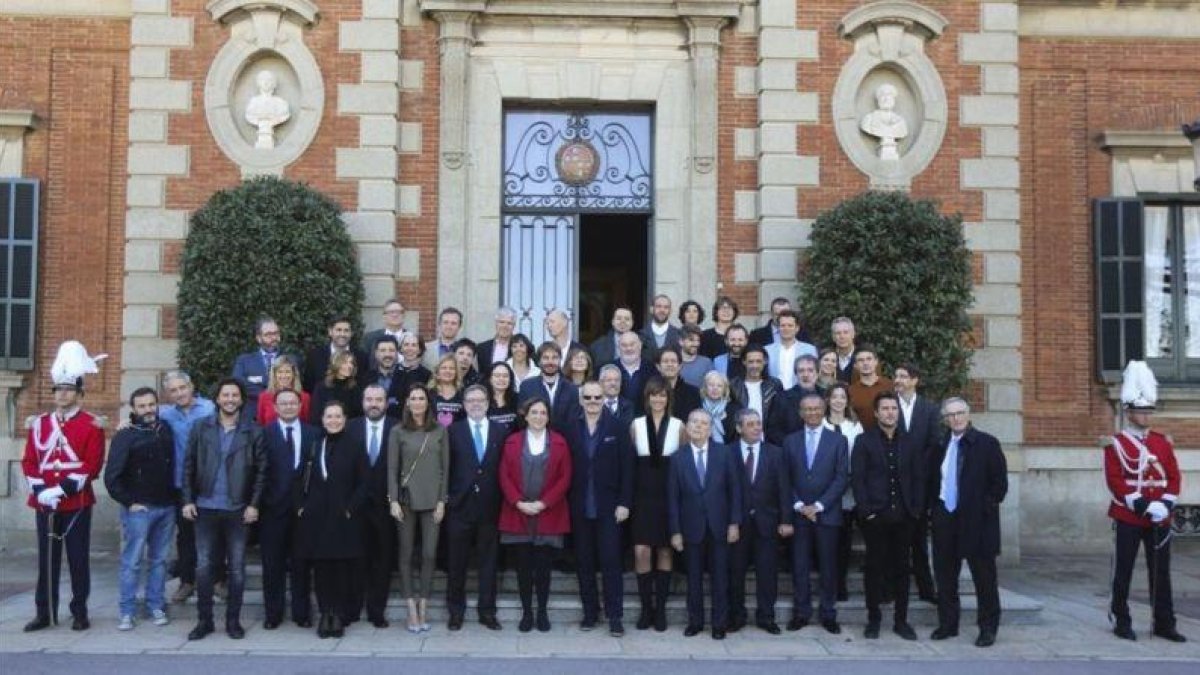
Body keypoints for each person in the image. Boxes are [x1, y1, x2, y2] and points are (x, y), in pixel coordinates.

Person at [22, 341, 106, 633]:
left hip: (76, 501)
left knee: (77, 558)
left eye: (69, 390)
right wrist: (41, 490)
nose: (62, 395)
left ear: (80, 393)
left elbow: (92, 465)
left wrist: (60, 490)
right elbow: (30, 461)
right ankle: (44, 611)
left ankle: (79, 611)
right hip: (44, 500)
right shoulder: (40, 424)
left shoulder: (91, 425)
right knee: (47, 559)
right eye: (58, 390)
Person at [1103, 361, 1186, 643]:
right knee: (1123, 570)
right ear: (1128, 412)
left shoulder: (1162, 443)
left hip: (1159, 516)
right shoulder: (1117, 444)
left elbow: (1173, 476)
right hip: (1129, 515)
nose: (1146, 416)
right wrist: (1142, 505)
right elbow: (1115, 479)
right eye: (1141, 411)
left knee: (1161, 573)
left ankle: (1164, 622)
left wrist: (1165, 503)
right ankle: (1121, 619)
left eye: (1149, 411)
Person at [182, 378, 266, 641]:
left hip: (238, 509)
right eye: (225, 395)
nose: (230, 399)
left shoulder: (253, 431)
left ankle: (233, 621)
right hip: (205, 508)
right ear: (217, 399)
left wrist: (254, 504)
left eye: (235, 395)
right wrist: (187, 499)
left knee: (238, 568)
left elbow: (262, 472)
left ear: (241, 400)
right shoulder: (200, 427)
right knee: (205, 566)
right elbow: (188, 466)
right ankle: (204, 621)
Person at [930, 397, 1009, 648]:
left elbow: (999, 485)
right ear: (945, 419)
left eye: (960, 413)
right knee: (945, 576)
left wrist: (982, 507)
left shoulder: (986, 443)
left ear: (968, 413)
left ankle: (987, 628)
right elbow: (934, 481)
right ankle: (948, 624)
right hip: (946, 518)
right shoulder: (940, 445)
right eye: (950, 415)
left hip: (977, 521)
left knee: (983, 578)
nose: (956, 418)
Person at [851, 391, 924, 641]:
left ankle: (901, 621)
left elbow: (918, 479)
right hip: (876, 518)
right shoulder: (864, 441)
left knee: (902, 570)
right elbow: (858, 479)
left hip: (904, 517)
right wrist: (866, 511)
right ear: (876, 413)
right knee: (875, 569)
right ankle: (873, 620)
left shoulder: (911, 441)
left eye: (894, 408)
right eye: (885, 409)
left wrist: (915, 510)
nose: (890, 412)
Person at [294, 400, 369, 639]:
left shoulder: (355, 445)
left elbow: (364, 483)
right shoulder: (315, 444)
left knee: (342, 569)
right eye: (329, 416)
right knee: (323, 569)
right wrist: (302, 508)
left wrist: (351, 508)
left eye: (338, 416)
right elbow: (301, 479)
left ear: (345, 419)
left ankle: (338, 615)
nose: (333, 420)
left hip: (344, 518)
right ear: (322, 420)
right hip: (317, 519)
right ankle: (325, 613)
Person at [105, 387, 177, 631]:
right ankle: (127, 610)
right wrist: (129, 502)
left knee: (159, 561)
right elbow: (112, 476)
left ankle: (155, 605)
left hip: (167, 507)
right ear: (133, 409)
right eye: (142, 406)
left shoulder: (164, 428)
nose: (148, 409)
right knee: (132, 561)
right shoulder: (125, 435)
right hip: (139, 510)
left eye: (151, 404)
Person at [499, 398, 573, 633]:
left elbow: (565, 477)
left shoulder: (560, 442)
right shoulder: (512, 441)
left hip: (548, 513)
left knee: (543, 568)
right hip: (518, 512)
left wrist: (544, 503)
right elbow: (503, 475)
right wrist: (518, 502)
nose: (539, 416)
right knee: (523, 568)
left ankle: (542, 611)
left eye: (543, 413)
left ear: (548, 417)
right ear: (526, 416)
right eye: (534, 412)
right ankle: (527, 613)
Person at [568, 381, 635, 636]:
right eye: (589, 398)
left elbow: (628, 469)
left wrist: (625, 503)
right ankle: (590, 613)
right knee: (584, 562)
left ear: (604, 399)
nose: (593, 402)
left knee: (611, 562)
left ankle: (615, 616)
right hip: (580, 506)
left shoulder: (617, 427)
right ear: (581, 400)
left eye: (598, 397)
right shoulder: (570, 428)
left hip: (610, 508)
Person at [668, 409, 741, 640]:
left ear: (710, 429)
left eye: (703, 423)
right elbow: (673, 498)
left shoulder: (725, 454)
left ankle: (719, 624)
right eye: (694, 422)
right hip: (691, 528)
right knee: (694, 579)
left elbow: (735, 491)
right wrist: (676, 531)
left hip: (720, 526)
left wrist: (734, 523)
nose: (698, 426)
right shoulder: (677, 458)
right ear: (687, 427)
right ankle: (695, 622)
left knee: (720, 578)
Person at [783, 393, 849, 635]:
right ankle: (801, 613)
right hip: (799, 515)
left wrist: (819, 505)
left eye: (816, 409)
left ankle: (828, 614)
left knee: (828, 567)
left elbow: (842, 477)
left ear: (824, 411)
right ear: (800, 413)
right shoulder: (790, 441)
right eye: (806, 409)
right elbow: (785, 478)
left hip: (827, 514)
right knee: (799, 566)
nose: (811, 413)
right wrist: (799, 505)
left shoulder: (838, 441)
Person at [387, 383, 450, 633]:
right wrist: (392, 500)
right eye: (413, 398)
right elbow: (392, 468)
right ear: (407, 402)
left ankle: (424, 604)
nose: (417, 402)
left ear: (428, 402)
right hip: (405, 500)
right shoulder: (397, 431)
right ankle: (410, 607)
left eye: (421, 398)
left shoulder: (440, 431)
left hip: (433, 500)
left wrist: (442, 501)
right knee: (404, 555)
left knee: (429, 554)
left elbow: (446, 469)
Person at [445, 385, 506, 631]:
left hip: (490, 507)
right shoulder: (452, 431)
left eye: (481, 400)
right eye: (471, 400)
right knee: (456, 563)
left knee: (488, 564)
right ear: (464, 404)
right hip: (460, 507)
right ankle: (456, 612)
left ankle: (487, 612)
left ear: (488, 402)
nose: (476, 404)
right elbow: (446, 467)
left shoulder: (501, 431)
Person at [727, 408, 790, 635]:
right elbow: (724, 491)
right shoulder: (728, 453)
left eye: (758, 423)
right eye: (750, 424)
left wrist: (786, 520)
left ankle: (766, 616)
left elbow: (784, 489)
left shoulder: (775, 453)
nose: (756, 428)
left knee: (767, 573)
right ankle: (736, 616)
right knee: (735, 572)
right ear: (738, 428)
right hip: (738, 524)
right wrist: (729, 522)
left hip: (768, 522)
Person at [257, 388, 316, 630]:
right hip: (272, 509)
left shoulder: (314, 433)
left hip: (304, 511)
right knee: (272, 564)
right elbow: (258, 471)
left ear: (300, 405)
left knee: (302, 564)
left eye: (293, 403)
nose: (289, 407)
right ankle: (273, 614)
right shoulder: (264, 434)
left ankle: (302, 613)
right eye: (284, 403)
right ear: (275, 407)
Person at [630, 378, 685, 632]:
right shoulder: (636, 425)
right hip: (642, 495)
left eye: (663, 395)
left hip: (668, 495)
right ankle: (646, 608)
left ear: (668, 398)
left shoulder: (678, 425)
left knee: (664, 550)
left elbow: (683, 464)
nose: (658, 400)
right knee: (641, 550)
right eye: (654, 395)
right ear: (647, 398)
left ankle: (660, 610)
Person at [157, 370, 216, 604]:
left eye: (182, 388)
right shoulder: (165, 414)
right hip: (181, 484)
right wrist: (123, 422)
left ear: (191, 386)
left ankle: (218, 580)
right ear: (168, 394)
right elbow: (138, 417)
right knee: (186, 535)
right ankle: (187, 581)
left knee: (214, 534)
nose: (179, 393)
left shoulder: (210, 408)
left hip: (209, 481)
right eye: (173, 390)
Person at [344, 384, 397, 628]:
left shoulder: (397, 427)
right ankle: (353, 608)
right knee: (355, 558)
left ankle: (377, 610)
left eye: (378, 399)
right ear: (362, 402)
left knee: (383, 560)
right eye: (369, 399)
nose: (373, 404)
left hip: (387, 506)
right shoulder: (350, 427)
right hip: (356, 506)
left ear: (386, 403)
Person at [894, 363, 941, 604]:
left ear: (915, 380)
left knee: (920, 541)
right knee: (894, 543)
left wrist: (919, 472)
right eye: (896, 376)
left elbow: (934, 444)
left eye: (903, 376)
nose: (898, 380)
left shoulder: (930, 409)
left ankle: (926, 588)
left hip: (921, 486)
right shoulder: (888, 406)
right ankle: (891, 589)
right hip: (894, 485)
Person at [825, 383, 864, 601]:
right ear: (827, 400)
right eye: (834, 396)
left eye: (842, 397)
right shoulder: (821, 424)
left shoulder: (855, 426)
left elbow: (858, 457)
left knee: (844, 539)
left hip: (847, 489)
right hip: (824, 489)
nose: (838, 401)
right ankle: (827, 583)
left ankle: (840, 584)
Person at [232, 317, 288, 422]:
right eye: (268, 334)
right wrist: (271, 390)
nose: (274, 337)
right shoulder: (244, 361)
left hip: (282, 417)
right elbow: (238, 384)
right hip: (251, 418)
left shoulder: (290, 359)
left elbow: (293, 385)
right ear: (258, 338)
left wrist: (257, 385)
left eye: (276, 333)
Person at [518, 341, 580, 431]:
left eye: (554, 358)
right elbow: (522, 418)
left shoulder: (571, 388)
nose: (550, 362)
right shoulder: (527, 386)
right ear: (539, 361)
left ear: (560, 360)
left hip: (562, 441)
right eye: (546, 358)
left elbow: (573, 422)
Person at [303, 315, 368, 394]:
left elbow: (364, 387)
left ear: (351, 333)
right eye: (338, 330)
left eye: (346, 330)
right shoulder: (315, 356)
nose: (342, 334)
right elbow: (308, 386)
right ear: (330, 332)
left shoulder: (361, 357)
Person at [730, 345, 784, 439]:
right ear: (744, 362)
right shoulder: (733, 385)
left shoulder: (775, 385)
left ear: (765, 362)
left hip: (768, 439)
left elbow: (780, 414)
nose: (755, 365)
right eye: (751, 362)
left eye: (758, 361)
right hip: (740, 438)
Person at [769, 354, 826, 444]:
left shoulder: (826, 396)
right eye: (801, 371)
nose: (805, 375)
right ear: (796, 374)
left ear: (818, 373)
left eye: (810, 370)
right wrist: (791, 446)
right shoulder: (782, 398)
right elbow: (773, 430)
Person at [765, 310, 817, 391]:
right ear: (778, 328)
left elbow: (814, 374)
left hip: (801, 394)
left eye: (790, 325)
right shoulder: (767, 350)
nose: (786, 329)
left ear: (797, 328)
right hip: (774, 396)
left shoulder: (809, 349)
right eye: (783, 325)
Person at [310, 351, 363, 425]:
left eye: (351, 363)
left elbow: (359, 415)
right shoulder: (321, 387)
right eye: (345, 362)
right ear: (335, 365)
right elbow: (316, 415)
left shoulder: (355, 388)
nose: (350, 366)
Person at [256, 356, 311, 427]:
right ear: (274, 375)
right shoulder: (264, 396)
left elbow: (306, 422)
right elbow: (261, 423)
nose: (284, 375)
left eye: (287, 372)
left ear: (294, 374)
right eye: (280, 372)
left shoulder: (304, 397)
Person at [361, 336, 405, 419]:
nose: (387, 354)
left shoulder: (407, 378)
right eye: (383, 350)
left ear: (397, 353)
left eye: (391, 350)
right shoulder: (364, 378)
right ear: (376, 354)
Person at [848, 344, 892, 429]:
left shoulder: (890, 386)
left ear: (876, 362)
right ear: (855, 365)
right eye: (861, 360)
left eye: (869, 359)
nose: (865, 363)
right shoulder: (850, 391)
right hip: (863, 439)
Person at [361, 298, 410, 370]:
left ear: (404, 315)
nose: (395, 315)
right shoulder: (370, 338)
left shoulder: (411, 338)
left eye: (399, 312)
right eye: (391, 312)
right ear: (384, 316)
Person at [655, 346, 702, 420]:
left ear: (680, 366)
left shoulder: (693, 393)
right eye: (665, 361)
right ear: (658, 367)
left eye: (673, 361)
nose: (670, 364)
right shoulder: (650, 391)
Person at [700, 370, 742, 446]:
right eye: (711, 385)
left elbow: (738, 436)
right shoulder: (698, 407)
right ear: (705, 387)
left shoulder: (735, 409)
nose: (715, 388)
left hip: (728, 451)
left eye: (719, 386)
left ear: (725, 389)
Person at [616, 330, 653, 411]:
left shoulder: (652, 370)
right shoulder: (609, 368)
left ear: (640, 345)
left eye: (632, 344)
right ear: (618, 347)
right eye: (624, 345)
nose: (628, 348)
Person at [429, 354, 465, 428]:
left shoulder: (464, 393)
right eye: (444, 368)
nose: (447, 371)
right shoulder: (429, 393)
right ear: (437, 372)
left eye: (451, 368)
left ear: (456, 372)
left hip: (457, 436)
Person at [485, 361, 520, 432]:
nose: (501, 379)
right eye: (497, 375)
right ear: (490, 379)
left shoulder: (518, 399)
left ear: (510, 379)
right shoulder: (481, 400)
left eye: (505, 376)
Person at [598, 364, 635, 429]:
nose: (613, 383)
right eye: (609, 380)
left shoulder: (628, 406)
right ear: (600, 383)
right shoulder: (594, 403)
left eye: (617, 380)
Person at [396, 332, 432, 397]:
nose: (410, 348)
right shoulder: (393, 371)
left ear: (419, 350)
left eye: (414, 345)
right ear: (401, 348)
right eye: (406, 344)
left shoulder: (427, 375)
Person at [679, 324, 714, 389]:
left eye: (698, 340)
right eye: (691, 340)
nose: (696, 344)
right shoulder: (673, 363)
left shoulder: (706, 363)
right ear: (681, 341)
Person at [831, 317, 857, 384]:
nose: (842, 336)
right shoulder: (828, 359)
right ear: (833, 337)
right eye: (838, 333)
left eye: (846, 332)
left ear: (853, 334)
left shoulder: (863, 358)